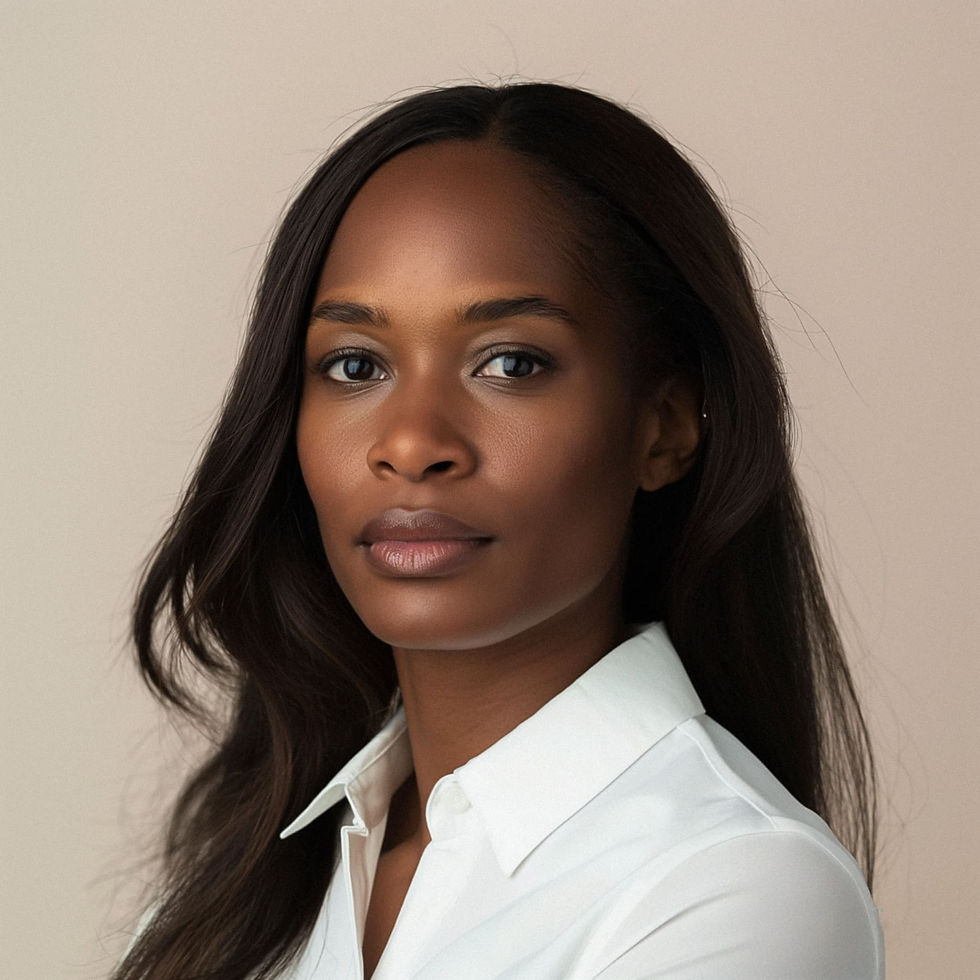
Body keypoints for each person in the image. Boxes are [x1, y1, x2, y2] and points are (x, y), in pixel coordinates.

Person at [115, 82, 883, 979]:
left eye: (510, 363)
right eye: (355, 365)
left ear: (665, 426)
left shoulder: (738, 887)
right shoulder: (231, 893)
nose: (410, 443)